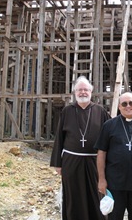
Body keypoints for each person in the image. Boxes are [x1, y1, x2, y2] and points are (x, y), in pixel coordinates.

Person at [50, 76, 111, 220]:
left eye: (85, 89)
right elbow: (59, 137)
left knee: (96, 196)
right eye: (79, 90)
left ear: (91, 91)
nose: (82, 92)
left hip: (94, 162)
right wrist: (57, 163)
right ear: (74, 92)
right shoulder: (67, 111)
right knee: (73, 196)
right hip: (71, 162)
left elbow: (112, 131)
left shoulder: (100, 111)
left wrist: (130, 119)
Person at [95, 92, 132, 220]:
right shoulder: (109, 126)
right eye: (124, 104)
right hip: (115, 183)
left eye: (131, 103)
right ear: (119, 106)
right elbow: (101, 153)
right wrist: (101, 179)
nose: (128, 106)